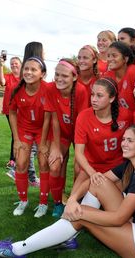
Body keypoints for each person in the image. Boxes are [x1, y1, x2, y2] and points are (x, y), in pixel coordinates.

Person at [0, 124, 135, 258]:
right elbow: (92, 181)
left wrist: (82, 213)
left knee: (80, 216)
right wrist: (73, 199)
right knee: (98, 180)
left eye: (130, 140)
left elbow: (118, 219)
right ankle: (70, 231)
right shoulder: (129, 166)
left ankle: (17, 250)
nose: (123, 143)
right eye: (123, 139)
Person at [43, 58, 88, 218]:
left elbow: (82, 121)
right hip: (59, 133)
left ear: (74, 77)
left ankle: (77, 201)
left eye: (64, 76)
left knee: (79, 168)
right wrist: (55, 147)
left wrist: (78, 148)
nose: (59, 79)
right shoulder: (50, 88)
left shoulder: (81, 91)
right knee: (55, 164)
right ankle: (57, 202)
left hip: (79, 132)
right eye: (57, 74)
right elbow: (54, 119)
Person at [9, 57, 50, 218]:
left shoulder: (48, 89)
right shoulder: (16, 88)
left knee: (43, 163)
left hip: (42, 129)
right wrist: (17, 139)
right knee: (20, 164)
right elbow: (12, 112)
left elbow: (48, 117)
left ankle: (43, 203)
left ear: (42, 74)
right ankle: (23, 200)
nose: (28, 72)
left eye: (33, 69)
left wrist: (44, 143)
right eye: (26, 68)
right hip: (25, 129)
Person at [0, 55, 22, 172]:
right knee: (15, 134)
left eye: (16, 63)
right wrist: (1, 66)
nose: (13, 65)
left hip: (23, 110)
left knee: (20, 134)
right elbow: (1, 81)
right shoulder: (9, 77)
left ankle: (19, 158)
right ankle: (14, 159)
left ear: (21, 64)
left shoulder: (24, 77)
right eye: (11, 64)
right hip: (10, 110)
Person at [104, 41, 135, 112]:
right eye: (108, 56)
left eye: (114, 56)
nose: (110, 59)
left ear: (125, 59)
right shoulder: (107, 75)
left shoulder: (133, 72)